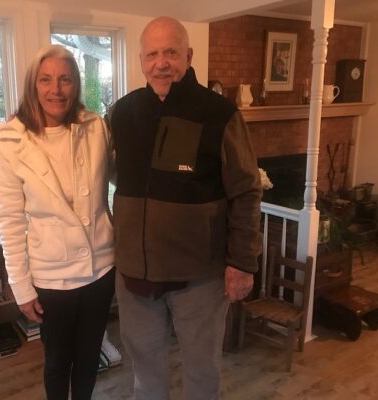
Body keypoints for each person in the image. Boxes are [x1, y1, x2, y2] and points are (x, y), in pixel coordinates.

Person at [109, 17, 262, 400]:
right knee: (145, 373)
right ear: (141, 61)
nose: (161, 63)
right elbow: (96, 163)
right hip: (136, 277)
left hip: (200, 278)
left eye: (171, 53)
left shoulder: (219, 114)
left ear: (188, 56)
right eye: (152, 55)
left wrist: (242, 262)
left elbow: (246, 190)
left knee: (201, 371)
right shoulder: (122, 113)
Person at [0, 44, 115, 400]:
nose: (55, 90)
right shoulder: (11, 141)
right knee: (58, 362)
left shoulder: (96, 128)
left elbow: (124, 177)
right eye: (46, 80)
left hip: (100, 270)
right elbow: (9, 219)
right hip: (51, 278)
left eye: (65, 80)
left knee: (90, 359)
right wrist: (21, 286)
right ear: (33, 84)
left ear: (76, 85)